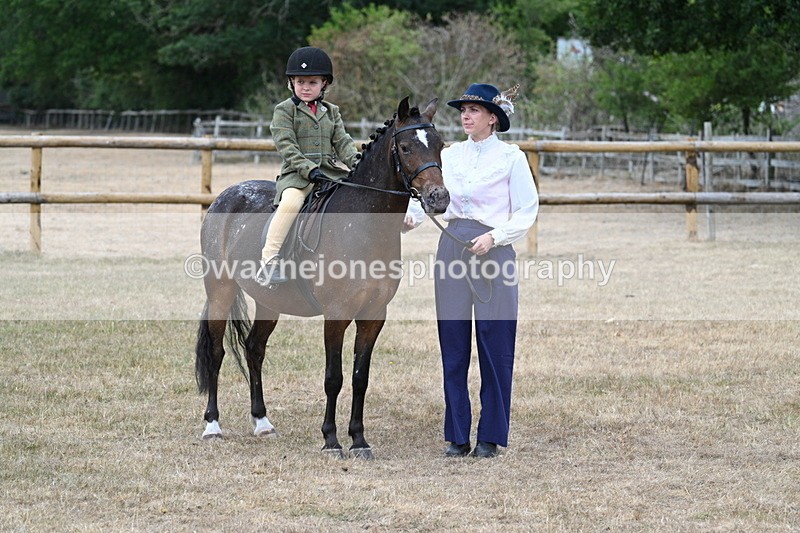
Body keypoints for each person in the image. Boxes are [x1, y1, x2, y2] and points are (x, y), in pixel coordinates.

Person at [410, 82, 539, 458]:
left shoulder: (512, 158)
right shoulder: (449, 157)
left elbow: (527, 211)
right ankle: (457, 435)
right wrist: (410, 218)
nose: (465, 116)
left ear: (493, 119)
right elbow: (435, 201)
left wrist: (495, 238)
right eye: (463, 110)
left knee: (494, 343)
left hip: (493, 252)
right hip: (452, 246)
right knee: (453, 344)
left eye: (474, 110)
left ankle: (490, 436)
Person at [257, 46, 360, 285]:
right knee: (292, 202)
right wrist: (308, 169)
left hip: (329, 174)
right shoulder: (284, 110)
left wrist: (357, 163)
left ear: (324, 83)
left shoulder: (331, 111)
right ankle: (269, 260)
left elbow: (342, 142)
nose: (305, 87)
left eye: (312, 82)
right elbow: (286, 145)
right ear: (291, 82)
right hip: (298, 176)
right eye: (300, 81)